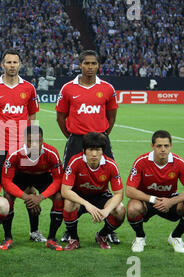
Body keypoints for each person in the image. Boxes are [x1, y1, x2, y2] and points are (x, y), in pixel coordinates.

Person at [55, 49, 120, 244]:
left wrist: (103, 136)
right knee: (67, 184)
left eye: (93, 64)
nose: (90, 67)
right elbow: (60, 116)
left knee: (106, 178)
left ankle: (109, 228)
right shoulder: (68, 88)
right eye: (86, 63)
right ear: (80, 65)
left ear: (98, 66)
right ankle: (69, 230)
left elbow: (112, 116)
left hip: (101, 140)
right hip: (76, 140)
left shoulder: (107, 88)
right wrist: (73, 137)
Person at [0, 48, 39, 242]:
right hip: (0, 149)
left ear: (20, 64)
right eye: (8, 62)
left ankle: (34, 231)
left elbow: (32, 115)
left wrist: (28, 142)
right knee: (1, 191)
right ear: (2, 64)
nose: (12, 66)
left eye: (15, 62)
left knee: (30, 189)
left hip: (23, 149)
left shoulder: (28, 88)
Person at [126, 130, 184, 253]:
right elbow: (129, 190)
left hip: (170, 201)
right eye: (159, 146)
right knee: (132, 208)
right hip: (148, 201)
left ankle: (175, 237)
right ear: (152, 146)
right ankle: (140, 237)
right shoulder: (141, 161)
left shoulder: (179, 162)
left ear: (171, 146)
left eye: (166, 146)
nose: (163, 149)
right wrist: (153, 199)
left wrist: (171, 201)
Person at [1, 125, 64, 251]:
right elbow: (6, 181)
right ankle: (7, 237)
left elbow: (58, 180)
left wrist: (40, 197)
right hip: (21, 176)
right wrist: (27, 197)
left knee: (59, 197)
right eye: (31, 141)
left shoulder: (51, 152)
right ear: (25, 140)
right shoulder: (15, 152)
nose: (35, 144)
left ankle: (52, 238)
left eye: (38, 140)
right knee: (7, 196)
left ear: (42, 139)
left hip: (42, 176)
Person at [61, 132, 125, 251]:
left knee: (119, 210)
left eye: (98, 150)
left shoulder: (111, 165)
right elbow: (65, 191)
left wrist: (106, 211)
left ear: (103, 151)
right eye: (91, 149)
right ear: (84, 150)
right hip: (80, 197)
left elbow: (119, 194)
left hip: (101, 196)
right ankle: (74, 239)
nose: (94, 154)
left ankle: (102, 235)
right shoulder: (75, 161)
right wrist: (87, 205)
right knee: (68, 203)